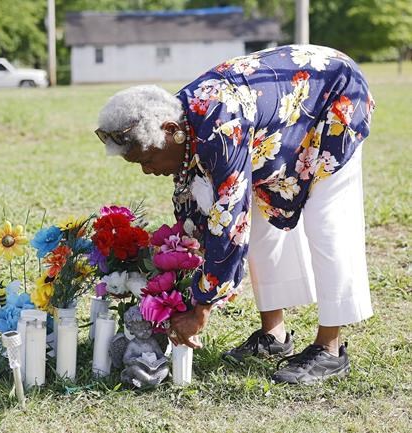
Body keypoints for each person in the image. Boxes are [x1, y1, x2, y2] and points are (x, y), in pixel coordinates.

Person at [94, 45, 375, 384]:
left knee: (326, 222)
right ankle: (274, 336)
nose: (147, 170)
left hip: (333, 94)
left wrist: (202, 307)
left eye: (147, 159)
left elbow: (228, 222)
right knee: (260, 225)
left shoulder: (219, 128)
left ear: (170, 131)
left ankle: (330, 349)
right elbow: (197, 213)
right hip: (284, 111)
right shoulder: (177, 123)